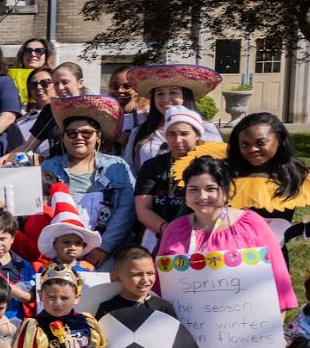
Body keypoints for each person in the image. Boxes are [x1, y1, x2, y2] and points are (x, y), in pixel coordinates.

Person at [157, 156, 295, 348]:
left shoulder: (251, 224)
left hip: (238, 346)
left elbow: (277, 280)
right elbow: (162, 284)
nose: (202, 196)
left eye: (210, 188)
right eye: (194, 189)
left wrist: (274, 334)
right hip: (188, 345)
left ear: (226, 189)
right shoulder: (176, 229)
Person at [175, 113, 310, 243]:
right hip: (216, 255)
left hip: (271, 259)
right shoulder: (219, 172)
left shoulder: (295, 176)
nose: (252, 149)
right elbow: (186, 212)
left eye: (261, 143)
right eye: (245, 144)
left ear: (279, 140)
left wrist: (304, 230)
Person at [41, 95, 135, 268]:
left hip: (109, 252)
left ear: (98, 137)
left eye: (86, 133)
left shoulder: (117, 166)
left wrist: (104, 247)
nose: (79, 137)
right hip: (60, 255)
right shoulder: (47, 167)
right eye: (72, 133)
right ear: (63, 137)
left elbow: (126, 210)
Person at [134, 106, 206, 251]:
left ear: (197, 135)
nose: (178, 140)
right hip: (160, 233)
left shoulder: (208, 164)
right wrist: (169, 231)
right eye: (172, 134)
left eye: (184, 134)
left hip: (203, 233)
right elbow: (143, 209)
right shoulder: (152, 166)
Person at [125, 64, 223, 170]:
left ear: (185, 95)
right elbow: (128, 169)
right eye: (160, 94)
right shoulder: (140, 132)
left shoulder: (207, 130)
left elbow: (219, 168)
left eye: (173, 92)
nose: (166, 99)